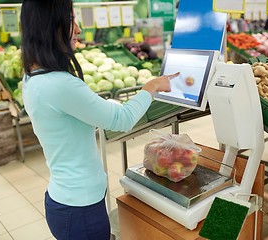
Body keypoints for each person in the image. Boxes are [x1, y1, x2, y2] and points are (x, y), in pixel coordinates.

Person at [20, 0, 179, 239]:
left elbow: (67, 120)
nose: (79, 30)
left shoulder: (33, 76)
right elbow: (122, 120)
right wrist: (153, 85)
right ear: (51, 26)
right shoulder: (59, 84)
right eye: (72, 20)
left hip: (64, 200)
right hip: (79, 210)